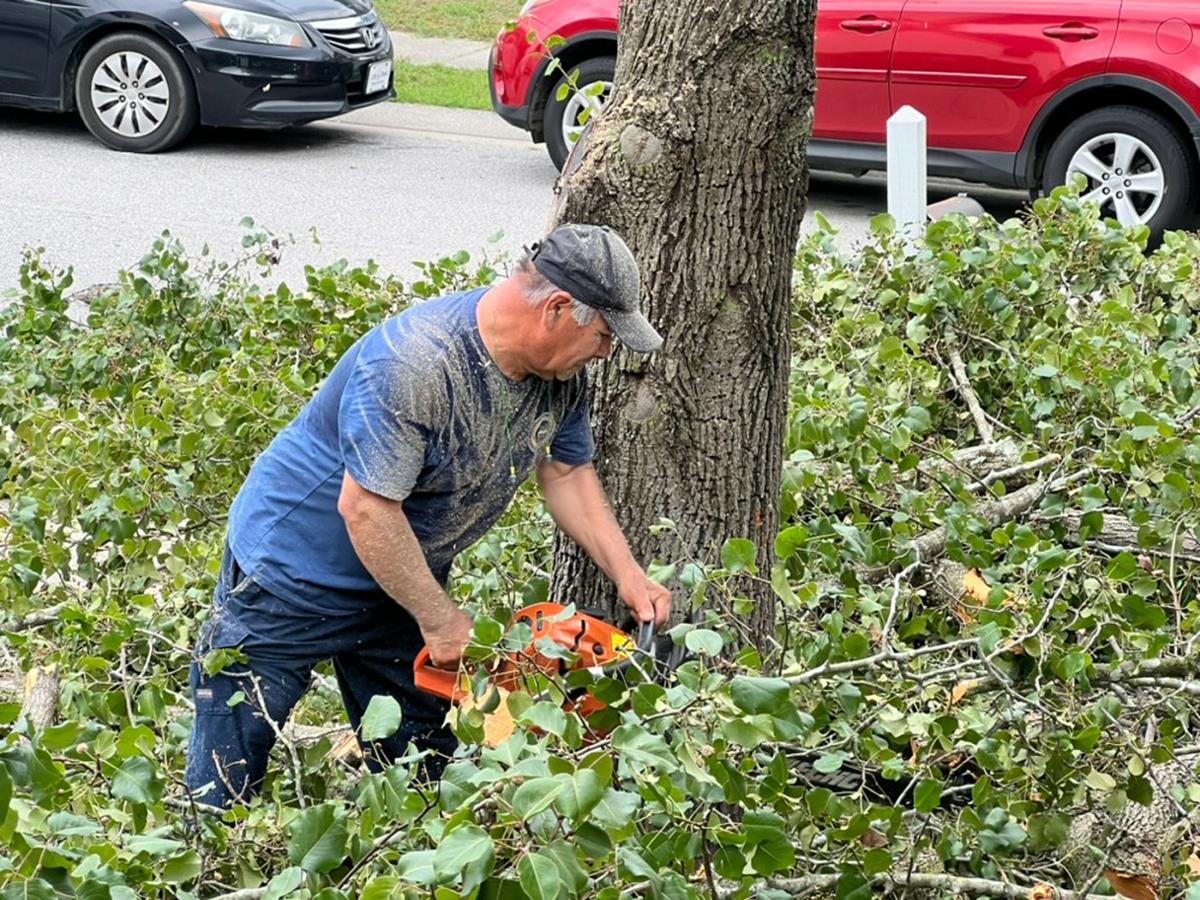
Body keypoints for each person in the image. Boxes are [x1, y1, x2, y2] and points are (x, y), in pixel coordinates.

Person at [184, 223, 671, 807]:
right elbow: (366, 509)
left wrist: (627, 573)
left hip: (401, 581)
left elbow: (565, 471)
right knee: (228, 767)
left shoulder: (559, 378)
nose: (606, 351)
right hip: (291, 578)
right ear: (559, 309)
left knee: (423, 763)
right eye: (603, 335)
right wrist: (440, 620)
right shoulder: (416, 365)